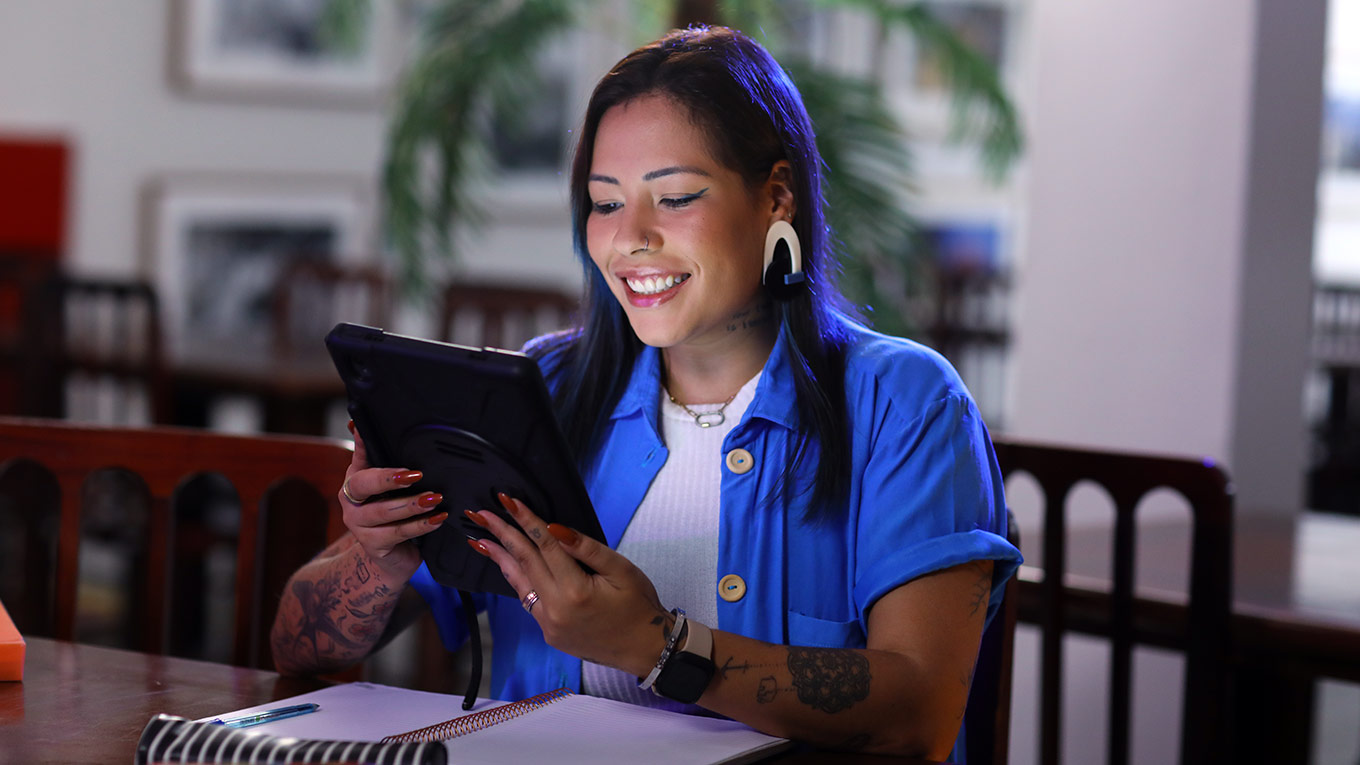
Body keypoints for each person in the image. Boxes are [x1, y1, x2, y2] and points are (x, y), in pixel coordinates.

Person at [271, 25, 1021, 761]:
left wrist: (657, 645)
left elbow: (918, 714)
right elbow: (296, 643)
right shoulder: (547, 389)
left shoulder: (905, 403)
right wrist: (381, 551)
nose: (630, 237)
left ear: (778, 197)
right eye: (604, 203)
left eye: (675, 198)